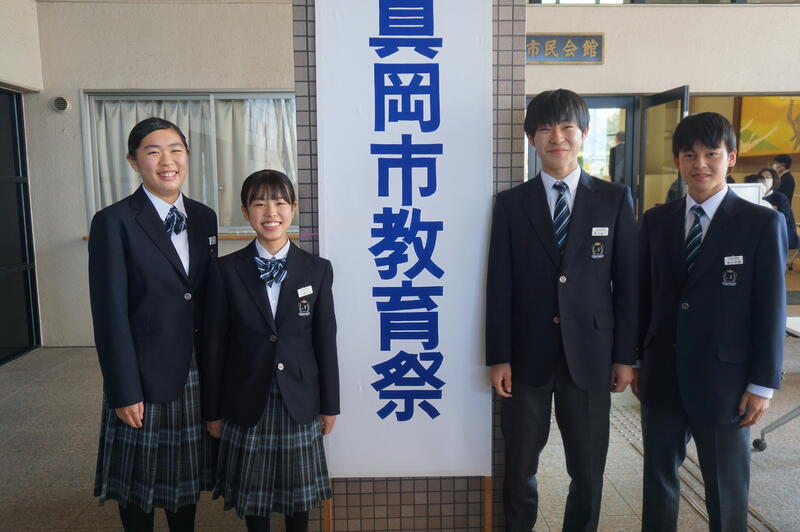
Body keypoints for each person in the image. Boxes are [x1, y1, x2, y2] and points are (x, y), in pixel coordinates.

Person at [485, 89, 638, 532]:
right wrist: (499, 356)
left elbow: (628, 286)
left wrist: (625, 357)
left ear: (584, 133)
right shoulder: (511, 204)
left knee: (587, 471)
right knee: (520, 468)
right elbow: (499, 285)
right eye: (546, 128)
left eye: (567, 127)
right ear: (530, 137)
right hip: (526, 356)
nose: (557, 137)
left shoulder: (614, 198)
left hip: (590, 355)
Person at [635, 112, 786, 532]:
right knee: (658, 481)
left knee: (726, 488)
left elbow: (770, 307)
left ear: (730, 158)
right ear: (677, 161)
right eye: (689, 155)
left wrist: (762, 384)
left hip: (727, 382)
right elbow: (644, 296)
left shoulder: (761, 223)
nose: (699, 164)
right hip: (662, 374)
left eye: (711, 154)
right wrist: (636, 359)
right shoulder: (656, 221)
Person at [88, 117, 218, 531]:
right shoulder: (113, 221)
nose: (167, 161)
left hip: (194, 369)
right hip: (142, 375)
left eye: (176, 150)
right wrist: (123, 389)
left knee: (184, 479)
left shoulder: (205, 217)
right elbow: (109, 313)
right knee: (137, 484)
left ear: (187, 156)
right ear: (133, 161)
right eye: (153, 151)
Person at [202, 170, 339, 532]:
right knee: (254, 495)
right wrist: (212, 410)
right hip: (246, 395)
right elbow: (214, 346)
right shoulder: (225, 271)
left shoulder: (317, 269)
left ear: (293, 208)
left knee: (299, 496)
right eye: (259, 203)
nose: (270, 212)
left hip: (300, 396)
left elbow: (325, 342)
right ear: (246, 212)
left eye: (279, 202)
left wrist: (330, 405)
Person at [757, 168, 800, 250]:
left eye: (768, 177)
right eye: (762, 177)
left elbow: (783, 217)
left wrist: (769, 211)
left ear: (774, 180)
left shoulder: (780, 198)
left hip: (782, 234)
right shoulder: (755, 196)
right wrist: (772, 210)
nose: (764, 180)